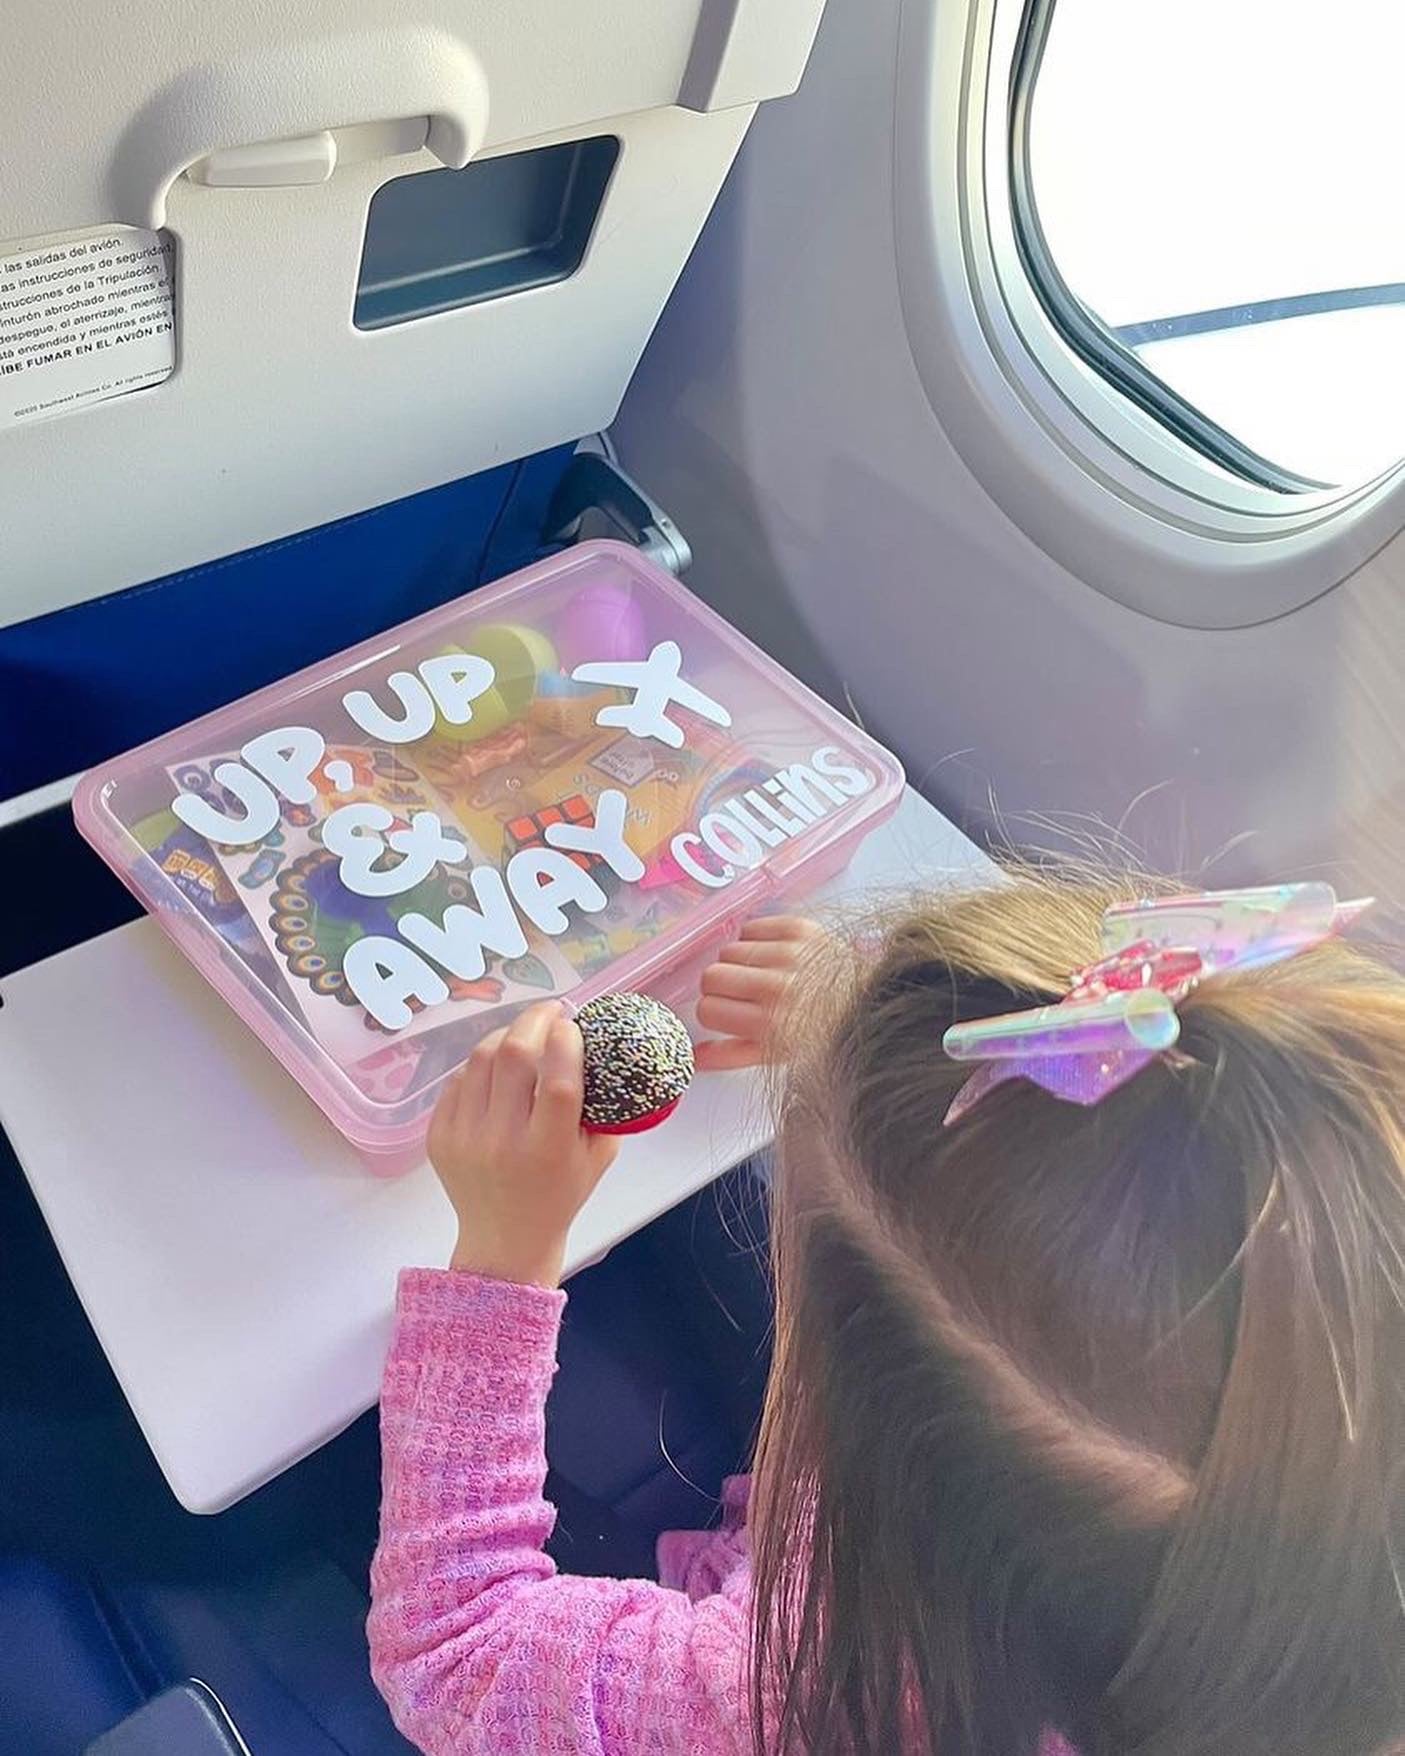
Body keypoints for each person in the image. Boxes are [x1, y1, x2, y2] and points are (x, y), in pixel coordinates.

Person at [368, 882, 1405, 1756]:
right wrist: (860, 1031)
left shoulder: (800, 1678)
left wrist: (498, 1266)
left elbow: (455, 1652)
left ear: (868, 1417)